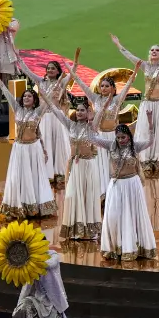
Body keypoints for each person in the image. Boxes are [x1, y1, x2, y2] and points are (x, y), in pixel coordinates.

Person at [111, 36, 159, 173]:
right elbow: (130, 56)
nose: (154, 52)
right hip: (147, 104)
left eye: (157, 50)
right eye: (152, 50)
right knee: (145, 131)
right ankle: (146, 159)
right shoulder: (145, 66)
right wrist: (118, 44)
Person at [90, 122, 159, 261]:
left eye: (123, 137)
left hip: (132, 185)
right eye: (118, 137)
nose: (120, 140)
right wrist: (93, 121)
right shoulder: (111, 145)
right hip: (116, 185)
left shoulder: (135, 146)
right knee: (113, 216)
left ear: (128, 136)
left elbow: (150, 142)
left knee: (132, 216)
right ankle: (116, 247)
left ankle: (132, 248)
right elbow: (92, 138)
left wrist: (150, 124)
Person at [69, 62, 139, 197]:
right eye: (102, 86)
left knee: (113, 163)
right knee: (100, 164)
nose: (104, 88)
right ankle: (102, 193)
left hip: (113, 137)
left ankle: (114, 192)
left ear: (113, 88)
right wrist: (73, 73)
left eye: (107, 86)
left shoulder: (117, 100)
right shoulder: (95, 99)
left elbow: (127, 86)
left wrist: (135, 71)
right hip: (99, 136)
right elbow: (82, 85)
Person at [0, 80, 58, 219]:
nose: (26, 98)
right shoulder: (17, 109)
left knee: (34, 176)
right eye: (24, 96)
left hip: (33, 148)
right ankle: (18, 206)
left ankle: (35, 207)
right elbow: (6, 92)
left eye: (29, 96)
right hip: (19, 148)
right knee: (17, 176)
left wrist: (56, 83)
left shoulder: (38, 112)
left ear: (34, 101)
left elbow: (48, 98)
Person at [45, 99, 103, 240]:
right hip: (74, 166)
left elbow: (101, 112)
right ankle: (75, 229)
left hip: (87, 165)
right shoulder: (70, 125)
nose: (79, 112)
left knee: (87, 195)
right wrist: (47, 98)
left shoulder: (92, 127)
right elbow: (57, 113)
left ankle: (89, 229)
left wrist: (93, 116)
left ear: (88, 112)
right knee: (72, 195)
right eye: (77, 110)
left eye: (82, 110)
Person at [14, 53, 71, 189]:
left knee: (58, 144)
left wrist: (73, 62)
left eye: (53, 68)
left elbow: (73, 74)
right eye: (48, 68)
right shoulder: (41, 81)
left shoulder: (62, 82)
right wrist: (18, 57)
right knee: (46, 142)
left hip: (57, 117)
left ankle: (60, 172)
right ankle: (46, 172)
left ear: (58, 71)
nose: (50, 70)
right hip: (44, 117)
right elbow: (26, 70)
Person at [14, 247, 72, 318]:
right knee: (20, 310)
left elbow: (51, 264)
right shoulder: (29, 260)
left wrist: (33, 262)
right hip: (36, 299)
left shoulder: (53, 255)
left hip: (53, 302)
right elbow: (25, 285)